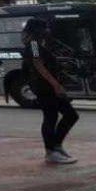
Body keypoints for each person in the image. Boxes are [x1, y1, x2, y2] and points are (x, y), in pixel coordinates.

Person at [23, 18, 80, 164]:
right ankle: (51, 151)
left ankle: (56, 146)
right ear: (37, 30)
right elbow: (38, 64)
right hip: (44, 87)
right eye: (45, 28)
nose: (48, 31)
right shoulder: (34, 44)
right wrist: (55, 84)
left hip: (49, 86)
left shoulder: (40, 44)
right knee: (51, 117)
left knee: (70, 115)